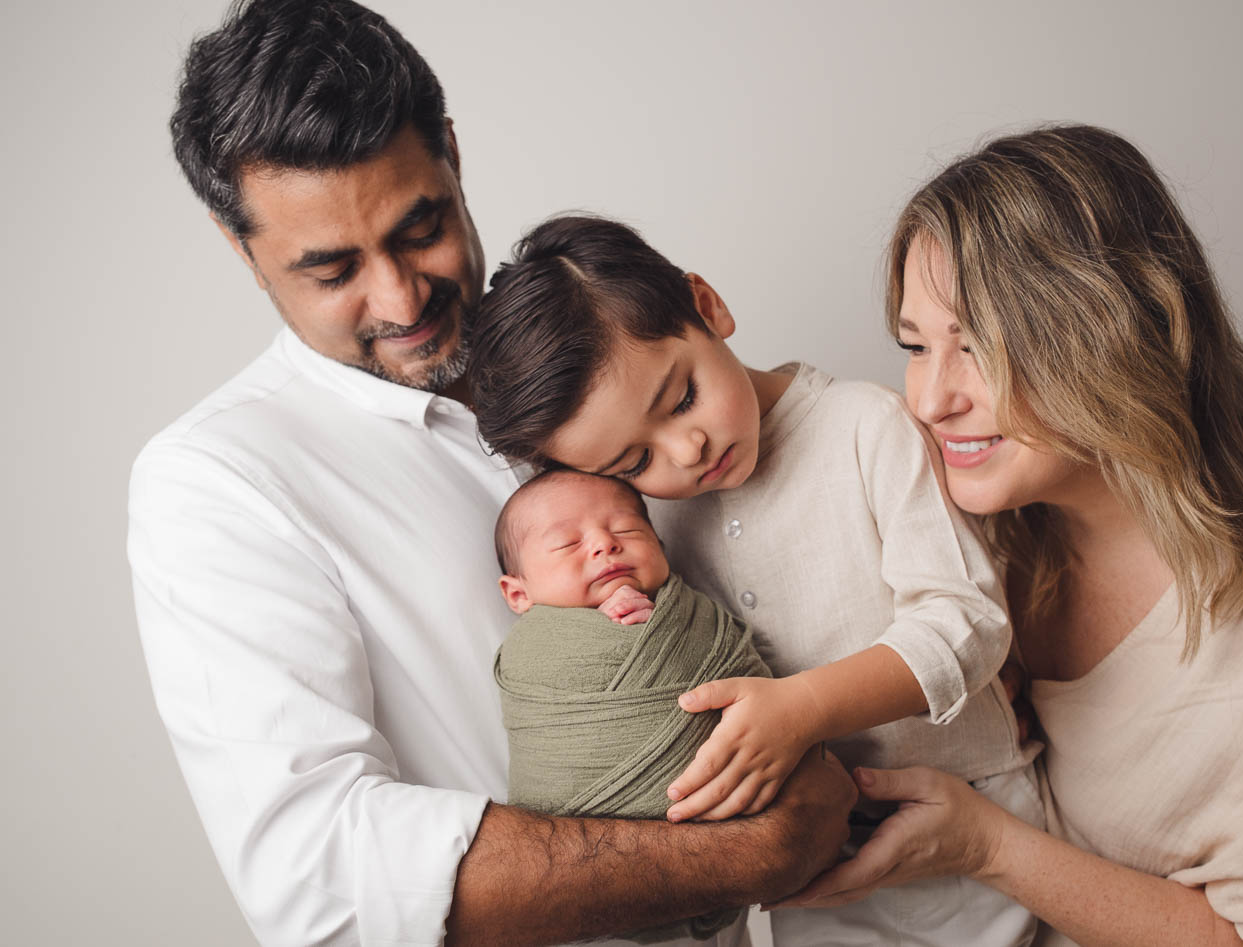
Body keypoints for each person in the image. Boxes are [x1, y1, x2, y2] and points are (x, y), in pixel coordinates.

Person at [127, 2, 854, 945]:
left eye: (418, 227)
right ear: (244, 251)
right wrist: (754, 850)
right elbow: (321, 878)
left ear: (454, 157)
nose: (400, 297)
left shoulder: (588, 367)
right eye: (332, 268)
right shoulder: (216, 484)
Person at [772, 124, 1243, 945]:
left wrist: (987, 843)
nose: (931, 400)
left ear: (1111, 331)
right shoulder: (982, 538)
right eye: (914, 345)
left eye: (977, 347)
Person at [469, 214, 1043, 946]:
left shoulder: (862, 427)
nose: (686, 449)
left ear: (706, 306)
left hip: (970, 827)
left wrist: (802, 707)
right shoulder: (653, 528)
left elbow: (967, 619)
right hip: (818, 871)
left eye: (680, 398)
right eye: (633, 464)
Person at [493, 469, 773, 941]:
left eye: (627, 530)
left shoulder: (694, 616)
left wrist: (652, 628)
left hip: (722, 851)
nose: (605, 544)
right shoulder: (531, 651)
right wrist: (608, 638)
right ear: (518, 594)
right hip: (588, 865)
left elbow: (757, 692)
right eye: (567, 543)